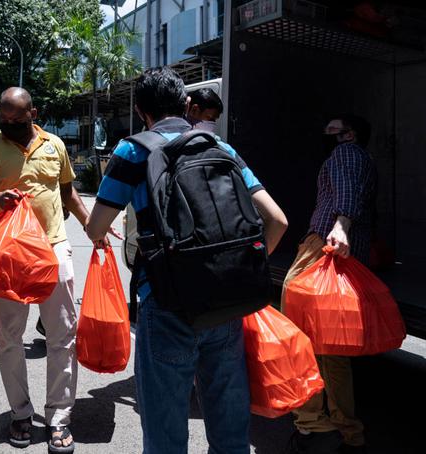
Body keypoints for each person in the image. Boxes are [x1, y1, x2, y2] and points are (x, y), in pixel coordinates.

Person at [86, 67, 288, 454]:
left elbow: (96, 227)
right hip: (227, 304)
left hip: (167, 303)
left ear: (142, 111)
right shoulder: (221, 148)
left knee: (165, 433)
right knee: (230, 432)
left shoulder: (132, 150)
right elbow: (277, 220)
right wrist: (242, 271)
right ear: (186, 105)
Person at [0, 87, 117, 453]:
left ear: (33, 112)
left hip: (54, 248)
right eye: (4, 119)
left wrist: (94, 229)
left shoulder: (54, 145)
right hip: (10, 256)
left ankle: (59, 417)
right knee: (9, 340)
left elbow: (68, 193)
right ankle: (21, 414)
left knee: (63, 336)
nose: (9, 125)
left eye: (17, 119)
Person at [284, 115, 376, 454]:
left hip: (324, 246)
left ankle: (311, 426)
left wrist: (339, 227)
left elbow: (347, 192)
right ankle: (347, 432)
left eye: (332, 129)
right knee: (332, 350)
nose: (326, 133)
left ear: (349, 134)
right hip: (346, 252)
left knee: (297, 333)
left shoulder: (346, 154)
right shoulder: (365, 159)